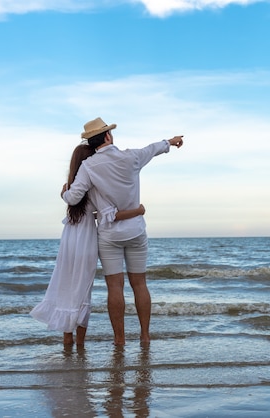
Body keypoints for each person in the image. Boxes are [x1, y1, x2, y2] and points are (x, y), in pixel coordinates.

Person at [62, 117, 184, 345]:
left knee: (114, 287)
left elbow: (74, 197)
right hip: (136, 230)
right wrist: (172, 141)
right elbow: (154, 148)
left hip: (110, 235)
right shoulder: (131, 157)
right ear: (108, 136)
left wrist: (64, 193)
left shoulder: (88, 166)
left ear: (92, 142)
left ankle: (119, 339)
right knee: (140, 284)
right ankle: (145, 336)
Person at [30, 143, 145, 347]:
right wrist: (138, 211)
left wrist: (63, 195)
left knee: (67, 285)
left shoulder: (71, 187)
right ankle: (80, 345)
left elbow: (77, 206)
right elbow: (109, 214)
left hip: (69, 240)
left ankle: (68, 342)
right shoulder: (92, 185)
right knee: (83, 290)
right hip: (86, 240)